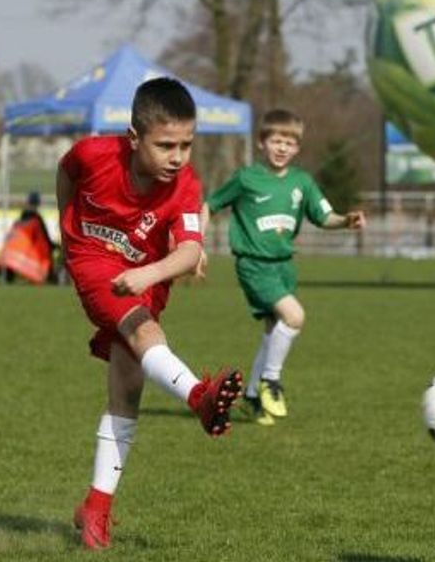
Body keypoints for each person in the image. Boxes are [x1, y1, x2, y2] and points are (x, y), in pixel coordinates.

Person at [57, 77, 242, 550]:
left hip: (145, 277)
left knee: (127, 390)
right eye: (165, 146)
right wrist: (66, 229)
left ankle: (96, 508)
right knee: (144, 332)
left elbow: (190, 251)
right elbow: (66, 170)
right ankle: (199, 396)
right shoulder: (94, 154)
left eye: (186, 144)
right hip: (95, 263)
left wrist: (152, 272)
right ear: (134, 138)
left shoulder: (186, 184)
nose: (178, 157)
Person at [201, 108, 366, 426]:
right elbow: (209, 204)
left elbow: (324, 216)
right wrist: (196, 243)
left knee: (273, 330)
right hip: (254, 264)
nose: (282, 148)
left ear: (297, 147)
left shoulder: (301, 182)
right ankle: (270, 381)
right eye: (276, 141)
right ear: (262, 142)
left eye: (289, 143)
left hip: (284, 266)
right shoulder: (247, 178)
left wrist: (346, 220)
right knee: (294, 316)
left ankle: (252, 397)